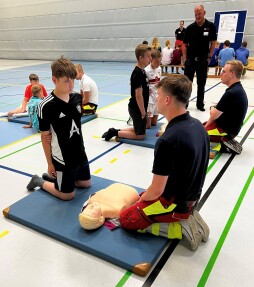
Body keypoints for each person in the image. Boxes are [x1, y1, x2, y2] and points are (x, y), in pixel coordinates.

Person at [119, 75, 210, 251]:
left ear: (167, 100)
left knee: (126, 219)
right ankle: (189, 216)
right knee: (144, 197)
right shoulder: (198, 126)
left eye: (158, 95)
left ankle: (178, 227)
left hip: (174, 203)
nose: (156, 98)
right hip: (192, 198)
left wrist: (141, 201)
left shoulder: (168, 140)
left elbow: (157, 190)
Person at [26, 56, 91, 201]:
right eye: (66, 81)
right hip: (62, 158)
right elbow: (45, 137)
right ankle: (39, 180)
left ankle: (59, 180)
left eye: (73, 80)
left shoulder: (76, 98)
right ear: (54, 80)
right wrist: (50, 163)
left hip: (80, 152)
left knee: (85, 184)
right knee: (67, 195)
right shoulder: (46, 106)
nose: (71, 85)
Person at [102, 44, 151, 141]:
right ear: (141, 58)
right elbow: (138, 96)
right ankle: (114, 132)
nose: (150, 58)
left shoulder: (142, 71)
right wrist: (143, 112)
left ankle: (117, 130)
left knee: (141, 129)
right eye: (148, 56)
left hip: (140, 107)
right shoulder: (137, 73)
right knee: (141, 136)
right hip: (136, 108)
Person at [204, 60, 248, 155]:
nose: (220, 74)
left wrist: (211, 108)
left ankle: (223, 143)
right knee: (198, 127)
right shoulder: (237, 89)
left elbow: (214, 115)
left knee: (195, 134)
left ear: (232, 74)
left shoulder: (231, 93)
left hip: (225, 131)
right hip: (229, 127)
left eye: (224, 71)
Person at [183, 4, 217, 111]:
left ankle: (200, 104)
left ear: (204, 13)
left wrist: (209, 57)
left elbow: (213, 43)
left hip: (202, 60)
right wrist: (185, 58)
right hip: (190, 61)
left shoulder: (210, 26)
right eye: (196, 14)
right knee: (187, 84)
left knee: (201, 83)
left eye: (199, 14)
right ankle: (185, 104)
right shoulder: (189, 28)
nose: (197, 16)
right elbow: (184, 44)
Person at [145, 49, 162, 129]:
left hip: (157, 98)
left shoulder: (159, 69)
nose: (159, 64)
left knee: (154, 124)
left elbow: (159, 83)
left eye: (160, 61)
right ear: (151, 59)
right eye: (157, 62)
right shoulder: (146, 71)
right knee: (148, 126)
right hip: (150, 99)